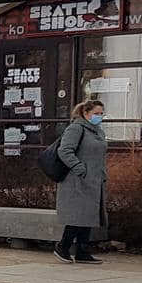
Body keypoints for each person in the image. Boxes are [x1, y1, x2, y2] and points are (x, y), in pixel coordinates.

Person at [54, 99, 108, 264]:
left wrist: (102, 173)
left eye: (101, 114)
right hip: (77, 180)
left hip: (95, 179)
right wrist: (80, 168)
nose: (99, 117)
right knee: (78, 215)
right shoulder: (76, 128)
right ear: (86, 113)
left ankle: (83, 251)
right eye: (96, 114)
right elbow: (64, 150)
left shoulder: (98, 131)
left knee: (89, 215)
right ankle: (63, 246)